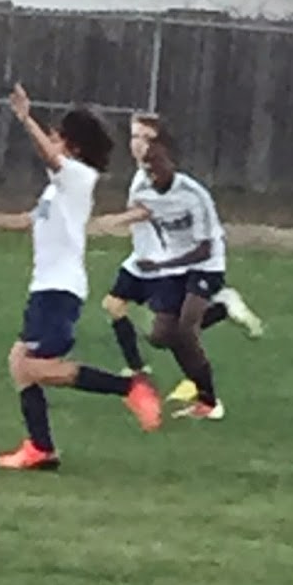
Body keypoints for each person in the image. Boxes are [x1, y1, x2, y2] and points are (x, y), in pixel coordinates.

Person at [0, 85, 162, 471]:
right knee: (20, 362)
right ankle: (40, 448)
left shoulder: (78, 176)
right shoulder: (57, 190)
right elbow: (29, 220)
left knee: (33, 367)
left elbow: (49, 156)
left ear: (73, 147)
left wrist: (24, 118)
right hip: (46, 289)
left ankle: (129, 387)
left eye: (58, 135)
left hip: (60, 290)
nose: (51, 139)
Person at [97, 111, 263, 382]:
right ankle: (138, 368)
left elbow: (151, 211)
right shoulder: (142, 177)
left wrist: (116, 220)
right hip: (143, 257)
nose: (138, 143)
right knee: (118, 308)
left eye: (147, 138)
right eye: (135, 136)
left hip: (159, 261)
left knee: (166, 332)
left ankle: (217, 310)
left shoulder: (163, 180)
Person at [125, 139, 228, 420]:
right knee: (161, 337)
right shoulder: (143, 192)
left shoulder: (194, 195)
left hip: (206, 265)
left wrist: (161, 263)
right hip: (172, 266)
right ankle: (221, 309)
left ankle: (209, 402)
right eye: (147, 166)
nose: (153, 171)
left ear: (172, 162)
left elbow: (205, 249)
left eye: (158, 163)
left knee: (185, 331)